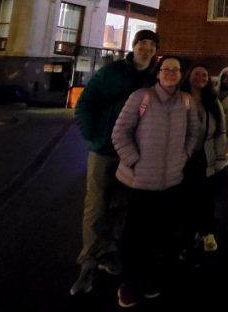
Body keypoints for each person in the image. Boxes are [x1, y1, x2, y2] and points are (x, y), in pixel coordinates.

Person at [70, 29, 159, 296]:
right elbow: (85, 103)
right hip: (105, 149)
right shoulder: (112, 72)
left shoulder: (154, 77)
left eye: (151, 45)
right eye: (142, 43)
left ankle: (109, 251)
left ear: (155, 50)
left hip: (131, 152)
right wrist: (92, 135)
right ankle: (88, 261)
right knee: (96, 205)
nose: (146, 48)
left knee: (121, 205)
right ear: (134, 46)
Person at [111, 57, 203, 307]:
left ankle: (151, 277)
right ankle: (128, 283)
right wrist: (134, 161)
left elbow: (194, 132)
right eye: (166, 69)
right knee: (134, 235)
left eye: (176, 70)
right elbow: (120, 132)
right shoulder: (142, 97)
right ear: (158, 73)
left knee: (161, 234)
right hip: (138, 182)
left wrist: (183, 156)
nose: (171, 73)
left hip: (171, 181)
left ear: (182, 74)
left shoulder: (186, 101)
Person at [182, 64, 228, 258]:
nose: (201, 77)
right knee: (186, 198)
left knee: (207, 197)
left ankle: (207, 232)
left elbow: (221, 131)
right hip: (185, 156)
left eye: (205, 74)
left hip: (206, 155)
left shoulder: (212, 101)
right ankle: (187, 236)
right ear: (188, 77)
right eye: (196, 74)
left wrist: (220, 158)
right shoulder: (180, 98)